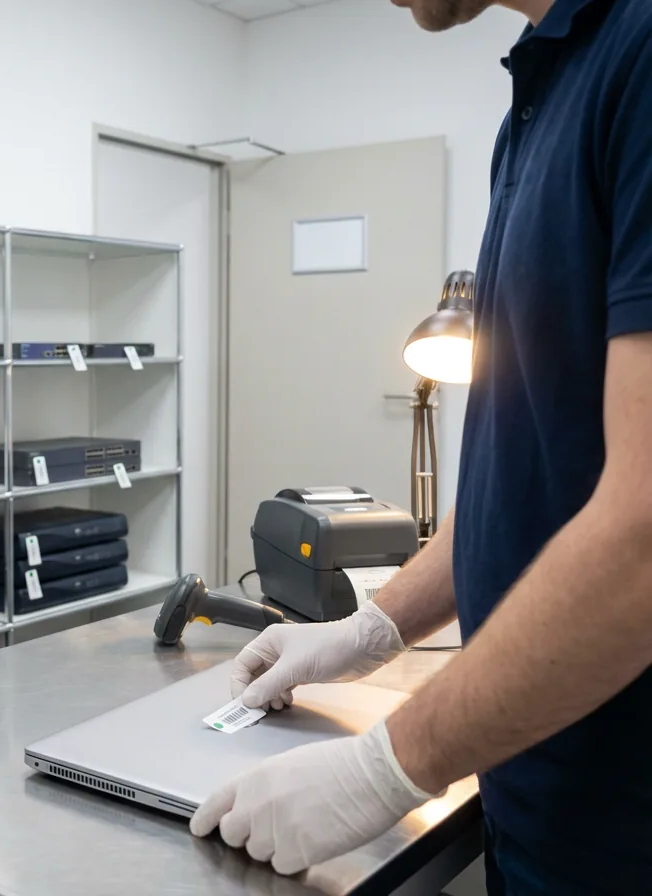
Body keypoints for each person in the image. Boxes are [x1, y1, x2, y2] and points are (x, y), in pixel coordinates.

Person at [188, 0, 652, 892]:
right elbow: (531, 485)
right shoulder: (542, 95)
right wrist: (370, 630)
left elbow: (645, 533)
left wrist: (384, 767)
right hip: (534, 789)